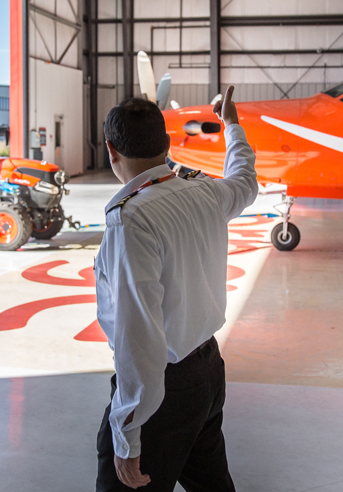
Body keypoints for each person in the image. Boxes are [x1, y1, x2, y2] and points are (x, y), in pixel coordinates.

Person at [94, 86, 257, 491]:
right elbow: (245, 181)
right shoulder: (204, 191)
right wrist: (232, 125)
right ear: (166, 144)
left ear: (111, 150)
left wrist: (129, 434)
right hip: (207, 372)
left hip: (164, 391)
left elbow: (139, 337)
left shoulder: (131, 220)